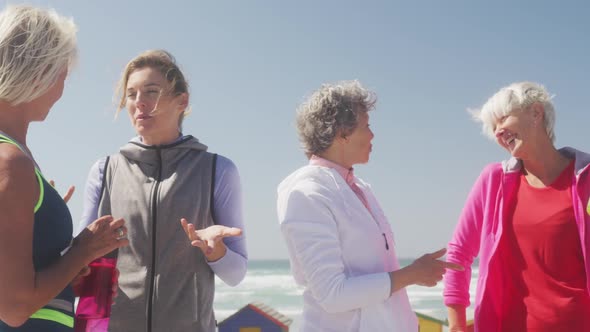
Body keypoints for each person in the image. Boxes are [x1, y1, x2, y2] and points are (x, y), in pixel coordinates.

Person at [78, 49, 247, 332]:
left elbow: (236, 274)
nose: (139, 103)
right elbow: (78, 262)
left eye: (152, 91)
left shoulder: (217, 170)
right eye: (131, 94)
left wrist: (215, 252)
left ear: (182, 101)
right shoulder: (104, 171)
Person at [277, 80, 463, 331]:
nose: (373, 134)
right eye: (366, 126)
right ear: (341, 133)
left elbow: (379, 274)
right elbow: (333, 294)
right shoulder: (306, 191)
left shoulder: (359, 188)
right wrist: (413, 274)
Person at [0, 5, 128, 332]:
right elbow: (13, 308)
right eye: (63, 73)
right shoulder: (11, 162)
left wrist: (67, 270)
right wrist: (84, 251)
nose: (62, 88)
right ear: (39, 70)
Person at [444, 81, 590, 331]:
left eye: (503, 119)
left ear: (536, 113)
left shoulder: (585, 179)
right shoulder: (494, 182)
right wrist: (457, 326)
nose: (499, 132)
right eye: (494, 128)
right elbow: (458, 253)